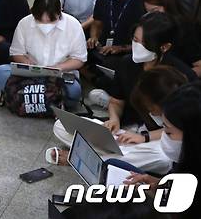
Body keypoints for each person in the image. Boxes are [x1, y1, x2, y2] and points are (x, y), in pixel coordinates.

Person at [49, 66, 186, 174]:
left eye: (152, 108)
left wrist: (145, 138)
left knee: (161, 157)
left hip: (157, 147)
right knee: (61, 126)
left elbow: (175, 135)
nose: (150, 112)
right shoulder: (134, 68)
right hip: (136, 134)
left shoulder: (187, 110)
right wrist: (115, 122)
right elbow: (117, 102)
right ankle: (107, 151)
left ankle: (87, 159)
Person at [88, 13, 197, 131]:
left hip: (160, 137)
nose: (138, 46)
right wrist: (114, 119)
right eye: (135, 40)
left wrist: (146, 137)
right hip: (129, 126)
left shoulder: (181, 76)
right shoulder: (127, 63)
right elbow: (117, 101)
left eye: (145, 44)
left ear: (164, 47)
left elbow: (182, 128)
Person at [0, 0, 88, 107]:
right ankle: (49, 99)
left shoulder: (73, 25)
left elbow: (79, 59)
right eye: (40, 21)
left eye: (51, 21)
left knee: (74, 91)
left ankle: (22, 95)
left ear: (60, 12)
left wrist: (58, 68)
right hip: (29, 74)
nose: (45, 25)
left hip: (60, 75)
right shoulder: (24, 23)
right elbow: (16, 53)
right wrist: (26, 63)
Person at [123, 82, 201, 218]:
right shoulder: (188, 160)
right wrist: (159, 183)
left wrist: (152, 200)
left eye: (169, 132)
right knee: (114, 165)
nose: (163, 136)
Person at [87, 0, 144, 71]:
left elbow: (144, 43)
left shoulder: (139, 4)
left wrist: (121, 48)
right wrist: (94, 37)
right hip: (103, 49)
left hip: (126, 53)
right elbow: (97, 22)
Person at [144, 0, 201, 76]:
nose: (152, 17)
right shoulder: (151, 28)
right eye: (148, 13)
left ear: (168, 5)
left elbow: (199, 66)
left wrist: (176, 78)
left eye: (155, 11)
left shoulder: (187, 29)